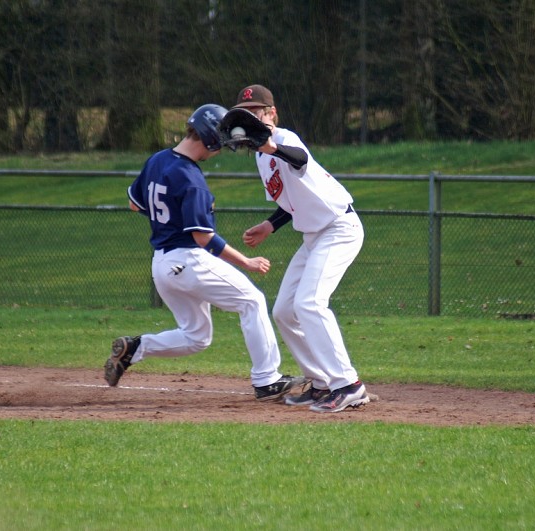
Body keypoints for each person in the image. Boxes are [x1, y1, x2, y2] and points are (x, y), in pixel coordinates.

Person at [104, 103, 305, 402]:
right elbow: (203, 238)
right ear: (210, 139)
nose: (220, 149)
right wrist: (246, 262)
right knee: (251, 301)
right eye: (220, 143)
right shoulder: (191, 179)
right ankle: (267, 380)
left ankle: (135, 348)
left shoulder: (158, 160)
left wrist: (168, 219)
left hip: (161, 265)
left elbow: (135, 204)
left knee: (197, 337)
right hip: (188, 261)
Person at [231, 84, 369, 413]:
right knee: (284, 311)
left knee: (309, 303)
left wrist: (271, 145)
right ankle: (321, 382)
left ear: (271, 113)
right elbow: (291, 200)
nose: (250, 118)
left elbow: (300, 159)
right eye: (245, 113)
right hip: (313, 237)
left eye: (256, 112)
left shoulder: (284, 139)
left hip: (339, 228)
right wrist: (270, 225)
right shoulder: (262, 159)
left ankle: (348, 385)